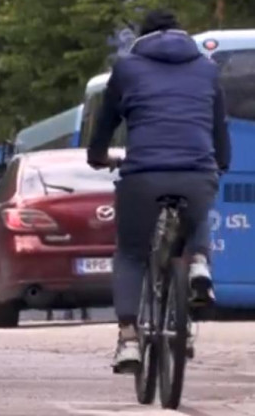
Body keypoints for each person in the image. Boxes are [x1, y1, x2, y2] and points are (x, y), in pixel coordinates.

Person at [87, 9, 231, 373]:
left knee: (132, 253)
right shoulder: (208, 69)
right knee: (198, 202)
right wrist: (221, 163)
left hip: (143, 176)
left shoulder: (126, 68)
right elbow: (219, 127)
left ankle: (129, 340)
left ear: (142, 37)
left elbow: (106, 122)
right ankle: (198, 263)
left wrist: (97, 156)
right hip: (196, 172)